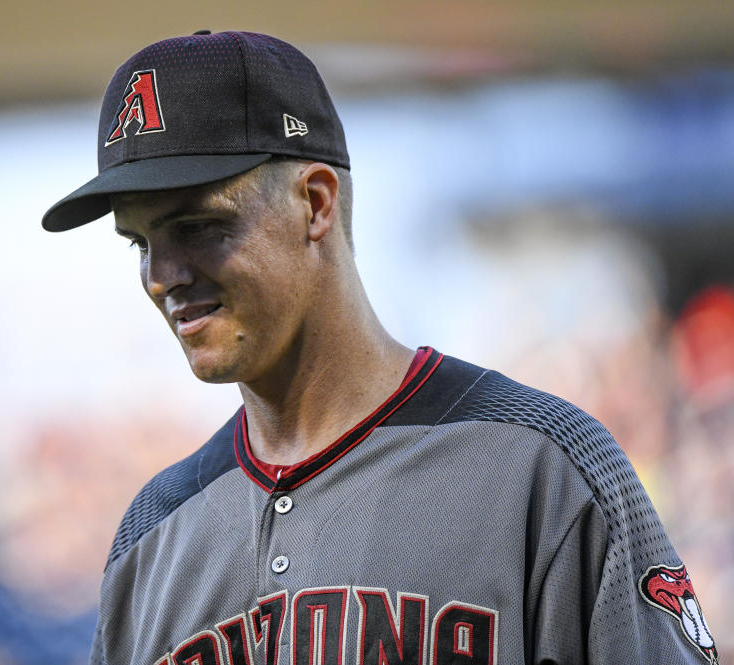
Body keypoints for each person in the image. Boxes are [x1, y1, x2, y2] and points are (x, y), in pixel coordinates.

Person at [42, 30, 717, 665]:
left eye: (198, 225)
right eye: (140, 242)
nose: (163, 275)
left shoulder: (543, 466)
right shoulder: (153, 534)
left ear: (315, 203)